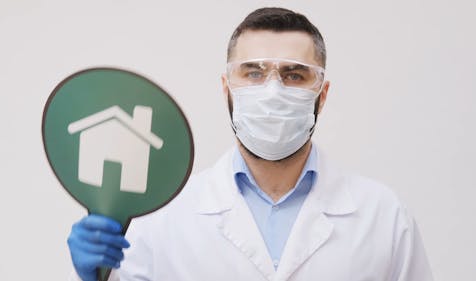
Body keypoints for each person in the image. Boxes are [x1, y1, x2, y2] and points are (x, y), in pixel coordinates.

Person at [67, 7, 433, 281]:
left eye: (294, 74)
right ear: (227, 89)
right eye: (253, 73)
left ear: (322, 95)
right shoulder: (163, 219)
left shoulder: (383, 218)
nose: (272, 91)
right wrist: (93, 278)